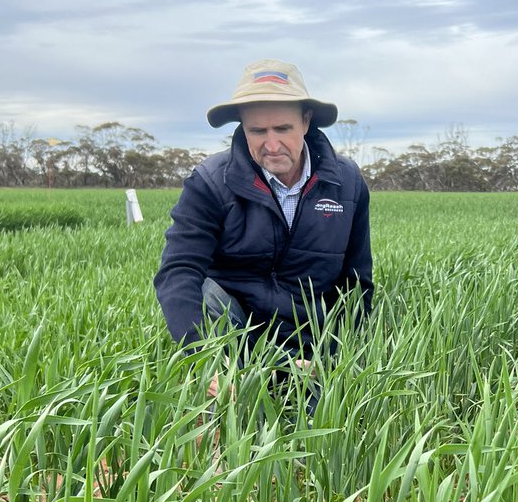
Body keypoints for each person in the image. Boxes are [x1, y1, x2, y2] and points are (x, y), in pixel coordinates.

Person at [154, 59, 373, 398]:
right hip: (234, 336)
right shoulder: (210, 182)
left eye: (283, 129)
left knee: (320, 433)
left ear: (306, 121)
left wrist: (333, 358)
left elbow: (356, 286)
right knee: (209, 294)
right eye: (258, 131)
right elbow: (178, 271)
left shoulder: (346, 183)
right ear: (242, 127)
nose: (271, 146)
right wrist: (202, 355)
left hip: (308, 339)